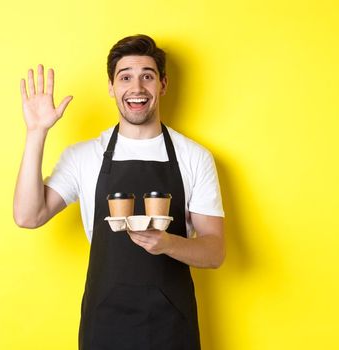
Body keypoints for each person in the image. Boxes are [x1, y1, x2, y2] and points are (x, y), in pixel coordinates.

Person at [12, 34, 225, 350]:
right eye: (125, 77)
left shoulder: (194, 157)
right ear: (111, 87)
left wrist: (168, 243)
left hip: (172, 328)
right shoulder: (84, 156)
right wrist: (36, 133)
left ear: (162, 85)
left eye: (147, 77)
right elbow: (28, 216)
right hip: (104, 325)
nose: (136, 88)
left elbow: (215, 250)